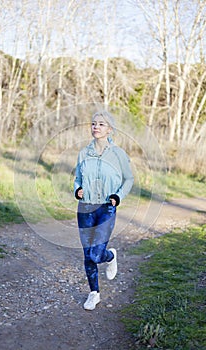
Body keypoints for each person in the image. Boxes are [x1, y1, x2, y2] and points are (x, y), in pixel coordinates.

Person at [74, 110, 134, 311]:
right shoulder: (84, 153)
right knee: (87, 254)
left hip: (106, 208)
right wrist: (78, 190)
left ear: (110, 129)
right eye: (93, 124)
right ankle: (94, 293)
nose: (96, 127)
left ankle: (110, 256)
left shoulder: (118, 154)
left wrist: (118, 196)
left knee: (96, 254)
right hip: (85, 208)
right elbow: (77, 179)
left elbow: (129, 179)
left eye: (101, 124)